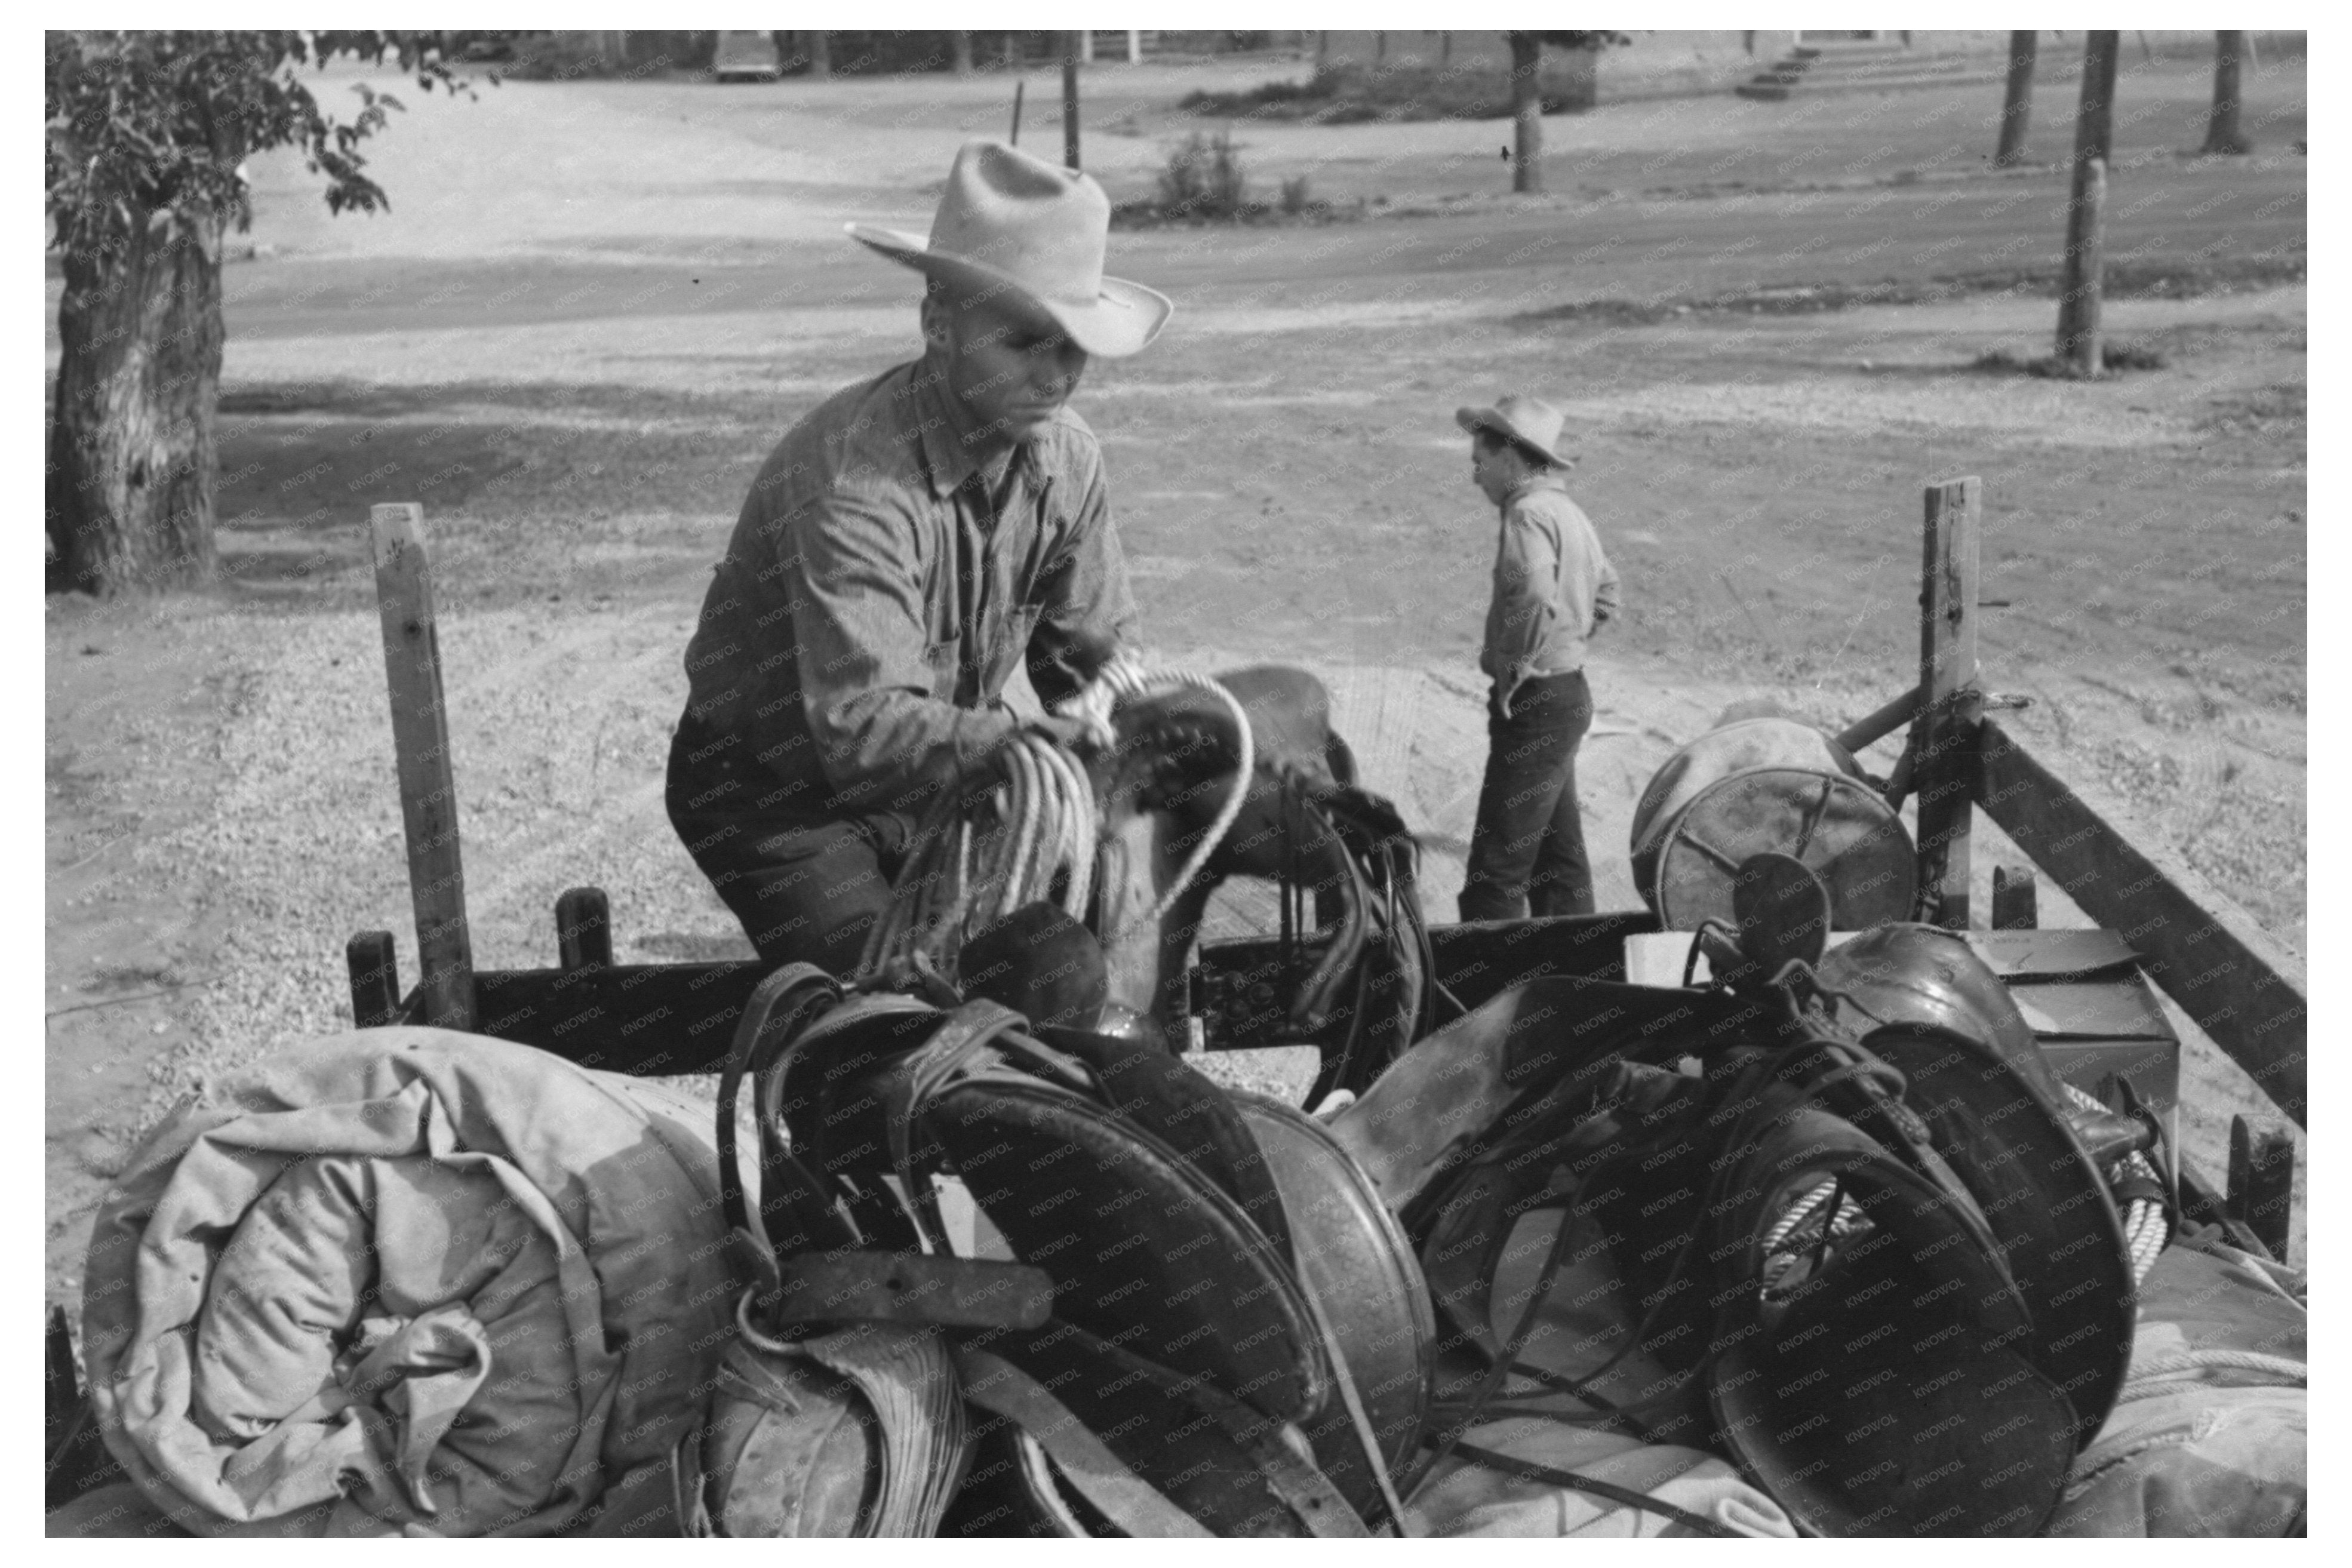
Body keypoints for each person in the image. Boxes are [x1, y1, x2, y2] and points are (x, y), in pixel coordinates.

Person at [665, 139, 1172, 976]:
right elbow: (862, 728)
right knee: (893, 1005)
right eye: (1023, 342)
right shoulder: (851, 481)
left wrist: (1145, 740)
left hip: (939, 778)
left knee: (1063, 966)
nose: (1055, 378)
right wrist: (1029, 743)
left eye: (1073, 346)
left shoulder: (1067, 461)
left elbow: (1101, 666)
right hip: (775, 797)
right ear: (937, 323)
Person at [1455, 394, 1621, 921]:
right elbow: (1608, 593)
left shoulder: (1526, 516)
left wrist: (1514, 671)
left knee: (1495, 871)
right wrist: (1567, 645)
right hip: (1567, 692)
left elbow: (1530, 597)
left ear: (1509, 457)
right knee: (1558, 861)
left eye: (1479, 463)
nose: (1476, 477)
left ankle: (1480, 990)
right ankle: (1583, 976)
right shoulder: (1567, 512)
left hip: (1535, 701)